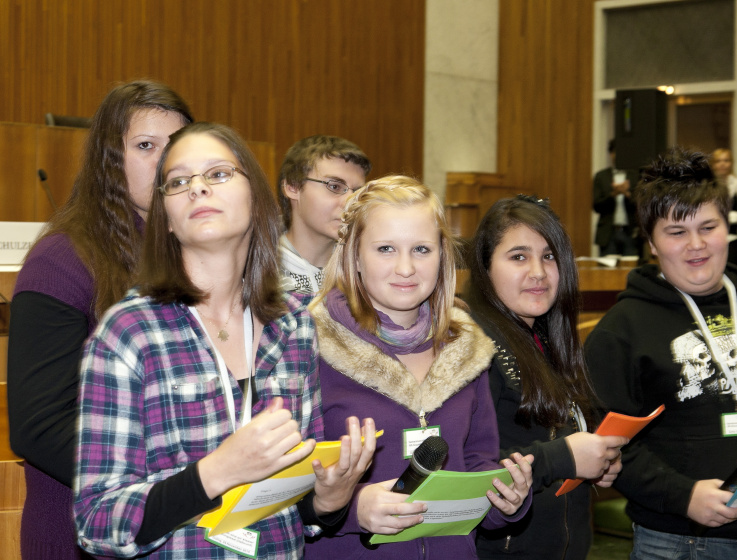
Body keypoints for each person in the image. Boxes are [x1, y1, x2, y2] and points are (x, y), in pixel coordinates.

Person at [73, 122, 376, 558]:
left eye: (217, 174)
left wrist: (329, 499)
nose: (197, 189)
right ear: (168, 221)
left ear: (255, 199)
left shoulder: (293, 324)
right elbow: (98, 522)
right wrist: (216, 472)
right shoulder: (129, 331)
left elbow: (297, 503)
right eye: (178, 182)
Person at [7, 80, 193, 560]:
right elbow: (40, 424)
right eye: (145, 146)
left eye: (176, 146)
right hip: (82, 534)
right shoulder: (62, 259)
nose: (165, 162)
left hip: (183, 525)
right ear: (110, 159)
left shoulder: (197, 254)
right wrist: (173, 478)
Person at [585, 147, 737, 559]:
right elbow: (605, 441)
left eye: (708, 226)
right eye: (676, 231)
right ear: (650, 241)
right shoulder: (622, 329)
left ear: (728, 228)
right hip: (676, 543)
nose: (696, 245)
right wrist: (681, 495)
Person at [304, 176, 534, 559]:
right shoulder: (311, 345)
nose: (406, 267)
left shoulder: (465, 346)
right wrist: (353, 508)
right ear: (354, 255)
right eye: (386, 249)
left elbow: (477, 461)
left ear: (442, 254)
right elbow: (284, 488)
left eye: (422, 249)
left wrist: (506, 499)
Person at [464, 195, 627, 559]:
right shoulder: (469, 346)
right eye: (518, 256)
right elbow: (465, 468)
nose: (538, 272)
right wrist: (563, 457)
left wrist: (598, 460)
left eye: (548, 256)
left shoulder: (548, 337)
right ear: (485, 266)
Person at [277, 135, 371, 295]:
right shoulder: (254, 272)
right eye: (334, 186)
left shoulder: (366, 272)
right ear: (293, 187)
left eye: (357, 192)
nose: (350, 202)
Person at [593, 138, 641, 257]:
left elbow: (642, 205)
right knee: (606, 272)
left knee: (631, 270)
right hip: (608, 234)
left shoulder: (636, 175)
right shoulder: (601, 176)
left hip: (631, 233)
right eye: (615, 152)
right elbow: (596, 206)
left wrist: (627, 194)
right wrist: (613, 195)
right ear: (611, 154)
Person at [710, 148, 737, 266]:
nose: (722, 164)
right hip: (709, 240)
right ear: (713, 164)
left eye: (726, 160)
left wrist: (724, 217)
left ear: (731, 163)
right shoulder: (704, 187)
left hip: (731, 239)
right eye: (718, 161)